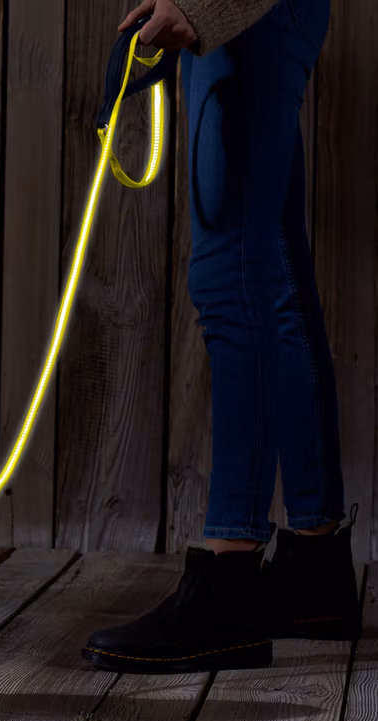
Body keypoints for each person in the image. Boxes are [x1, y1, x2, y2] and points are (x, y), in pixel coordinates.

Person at [81, 0, 362, 675]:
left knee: (230, 274)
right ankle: (315, 567)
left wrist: (201, 5)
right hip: (269, 16)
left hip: (248, 20)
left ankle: (228, 583)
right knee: (276, 269)